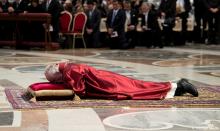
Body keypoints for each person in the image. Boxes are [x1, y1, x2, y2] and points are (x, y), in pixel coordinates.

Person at [44, 62, 198, 100]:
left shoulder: (69, 72)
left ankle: (177, 85)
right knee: (139, 86)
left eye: (56, 80)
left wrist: (64, 87)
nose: (58, 82)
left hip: (108, 85)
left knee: (137, 91)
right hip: (107, 79)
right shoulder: (69, 67)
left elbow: (79, 91)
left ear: (57, 74)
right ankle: (177, 87)